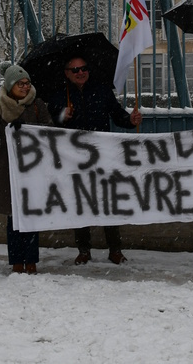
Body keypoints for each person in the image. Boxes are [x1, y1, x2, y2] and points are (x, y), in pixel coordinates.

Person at [47, 54, 142, 266]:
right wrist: (64, 116)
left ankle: (115, 249)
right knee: (81, 202)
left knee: (108, 201)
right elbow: (51, 124)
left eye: (84, 68)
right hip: (74, 159)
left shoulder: (101, 91)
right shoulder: (59, 96)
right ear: (67, 74)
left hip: (102, 157)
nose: (81, 72)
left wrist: (130, 119)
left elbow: (117, 115)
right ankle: (83, 250)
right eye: (75, 70)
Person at [0, 65, 52, 274]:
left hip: (32, 167)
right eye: (20, 84)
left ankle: (31, 260)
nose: (25, 87)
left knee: (30, 215)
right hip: (8, 167)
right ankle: (16, 261)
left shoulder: (37, 104)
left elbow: (48, 132)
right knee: (13, 216)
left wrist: (30, 130)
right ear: (10, 86)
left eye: (27, 83)